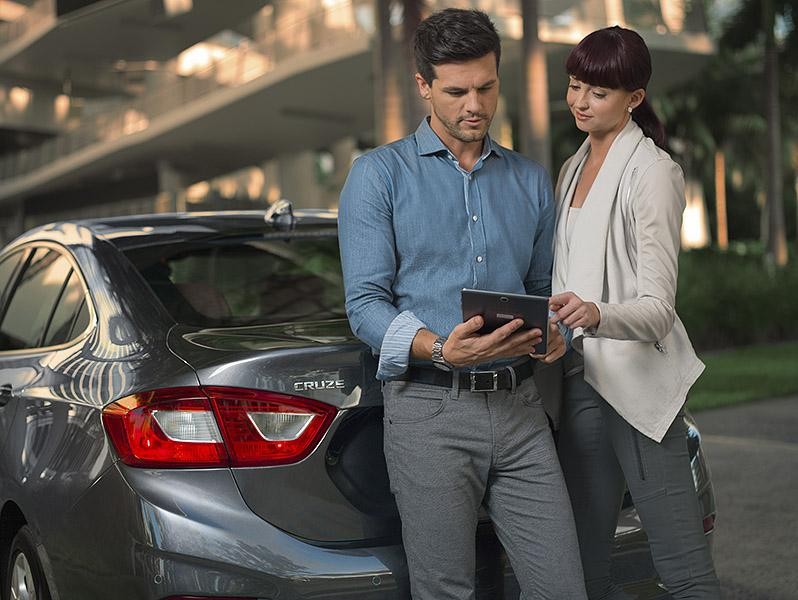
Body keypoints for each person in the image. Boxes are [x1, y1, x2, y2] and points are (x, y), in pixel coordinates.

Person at [338, 8, 587, 600]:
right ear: (423, 86)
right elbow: (365, 304)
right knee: (445, 590)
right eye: (456, 91)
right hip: (429, 413)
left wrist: (557, 334)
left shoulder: (529, 181)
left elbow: (544, 288)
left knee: (562, 589)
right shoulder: (378, 177)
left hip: (521, 410)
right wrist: (438, 347)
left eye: (485, 87)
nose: (474, 104)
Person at [549, 26, 722, 599]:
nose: (579, 101)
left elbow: (657, 311)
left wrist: (595, 314)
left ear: (635, 99)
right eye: (575, 86)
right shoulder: (572, 167)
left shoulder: (653, 173)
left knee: (684, 569)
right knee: (583, 566)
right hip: (580, 377)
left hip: (638, 389)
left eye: (597, 93)